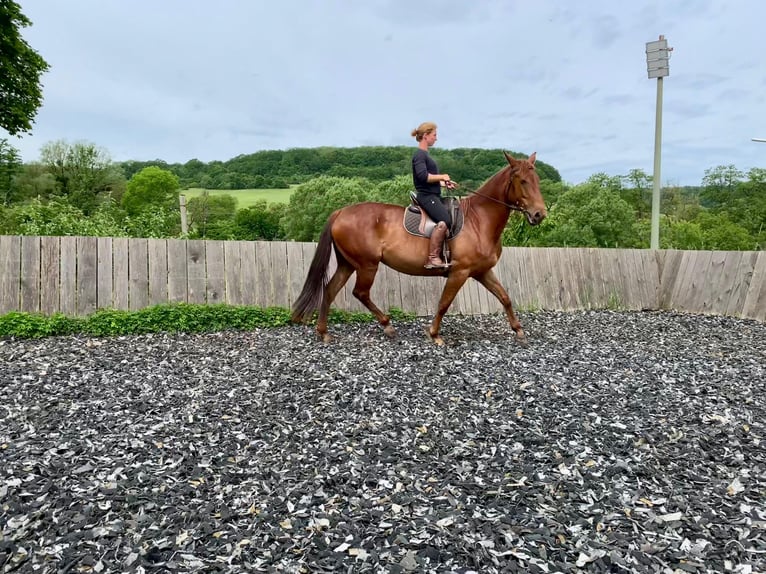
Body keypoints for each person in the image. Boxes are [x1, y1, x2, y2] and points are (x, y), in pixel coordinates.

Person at [411, 122, 457, 269]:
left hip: (433, 194)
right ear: (425, 136)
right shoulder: (419, 155)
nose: (436, 138)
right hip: (426, 197)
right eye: (434, 135)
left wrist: (445, 184)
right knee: (445, 219)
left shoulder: (425, 155)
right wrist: (442, 176)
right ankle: (433, 257)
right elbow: (423, 177)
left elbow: (429, 180)